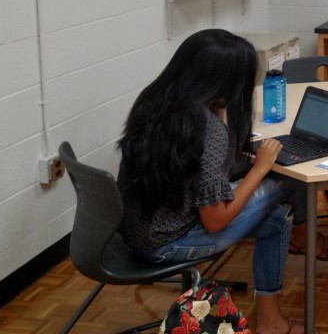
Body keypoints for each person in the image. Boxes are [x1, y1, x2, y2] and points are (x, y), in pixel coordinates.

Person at [117, 29, 317, 334]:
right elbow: (215, 221)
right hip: (166, 244)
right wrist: (259, 168)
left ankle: (271, 319)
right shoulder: (205, 129)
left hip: (139, 231)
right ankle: (305, 241)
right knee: (285, 182)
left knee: (277, 220)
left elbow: (198, 174)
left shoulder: (155, 100)